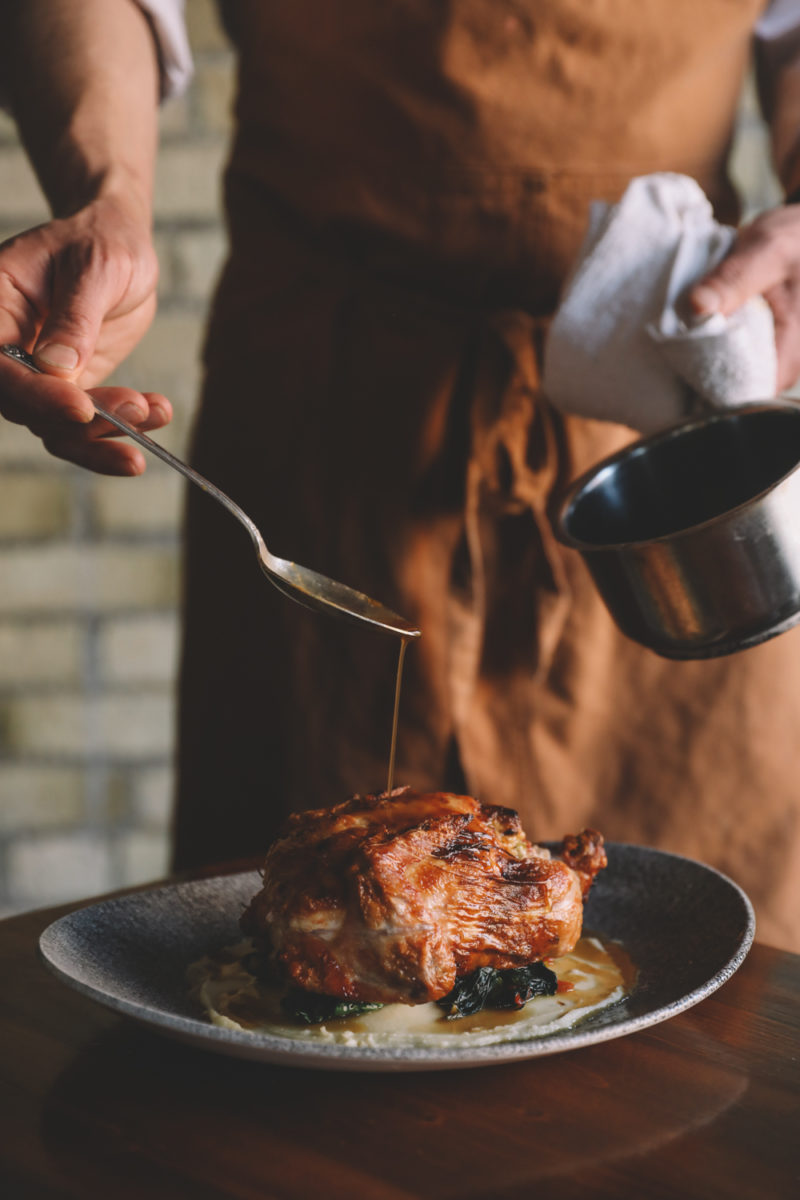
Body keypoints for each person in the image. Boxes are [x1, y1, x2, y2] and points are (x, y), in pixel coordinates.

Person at [1, 0, 800, 951]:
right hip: (323, 398)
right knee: (277, 979)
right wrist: (110, 191)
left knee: (705, 988)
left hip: (654, 441)